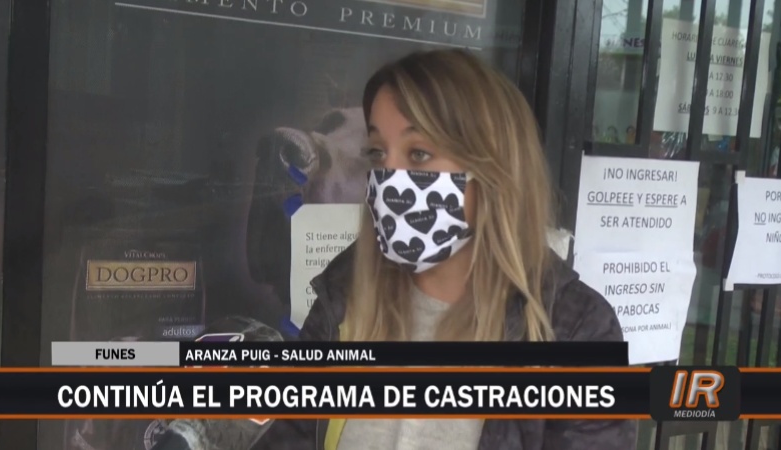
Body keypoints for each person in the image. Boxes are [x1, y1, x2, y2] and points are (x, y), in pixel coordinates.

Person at [254, 49, 636, 450]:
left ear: (493, 170)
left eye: (419, 153)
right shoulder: (345, 293)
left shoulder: (578, 332)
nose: (389, 177)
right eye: (378, 152)